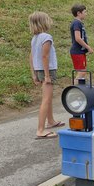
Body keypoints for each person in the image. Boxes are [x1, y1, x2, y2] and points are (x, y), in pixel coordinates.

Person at [29, 11, 63, 139]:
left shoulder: (35, 38)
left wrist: (34, 74)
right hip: (47, 70)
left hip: (39, 70)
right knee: (46, 99)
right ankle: (40, 130)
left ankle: (51, 121)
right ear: (44, 22)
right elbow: (45, 56)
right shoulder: (46, 37)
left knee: (47, 97)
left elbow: (31, 56)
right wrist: (47, 75)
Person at [69, 4, 93, 80]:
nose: (86, 14)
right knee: (81, 72)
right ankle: (74, 90)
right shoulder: (76, 23)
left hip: (80, 51)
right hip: (77, 51)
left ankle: (78, 88)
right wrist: (88, 47)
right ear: (79, 13)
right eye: (85, 12)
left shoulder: (79, 23)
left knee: (83, 71)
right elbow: (78, 38)